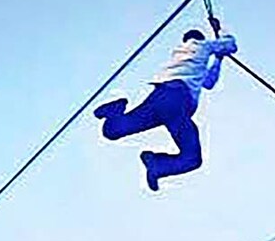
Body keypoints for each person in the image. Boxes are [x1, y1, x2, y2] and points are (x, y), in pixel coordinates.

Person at [93, 19, 238, 191]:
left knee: (113, 131)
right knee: (192, 159)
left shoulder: (181, 55)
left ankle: (115, 112)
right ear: (200, 39)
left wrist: (218, 59)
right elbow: (230, 45)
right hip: (177, 101)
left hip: (160, 98)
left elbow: (208, 82)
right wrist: (219, 30)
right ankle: (158, 165)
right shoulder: (203, 46)